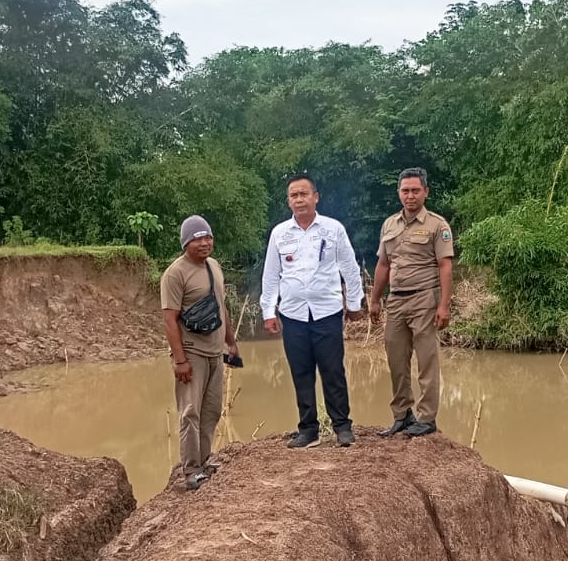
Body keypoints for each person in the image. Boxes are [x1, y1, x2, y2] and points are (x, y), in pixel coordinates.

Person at [261, 174, 366, 449]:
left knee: (333, 371)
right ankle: (308, 430)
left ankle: (342, 426)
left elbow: (350, 268)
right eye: (293, 195)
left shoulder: (333, 229)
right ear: (288, 201)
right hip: (293, 314)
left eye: (303, 194)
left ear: (316, 197)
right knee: (301, 372)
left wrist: (354, 304)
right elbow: (271, 275)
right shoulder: (279, 233)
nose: (299, 200)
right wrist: (268, 311)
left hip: (327, 312)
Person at [368, 168, 454, 438]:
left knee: (427, 361)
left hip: (424, 299)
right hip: (396, 300)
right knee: (396, 361)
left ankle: (427, 418)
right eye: (405, 190)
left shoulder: (437, 226)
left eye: (415, 190)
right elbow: (383, 264)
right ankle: (402, 415)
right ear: (399, 193)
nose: (410, 196)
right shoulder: (389, 225)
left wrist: (444, 306)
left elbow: (445, 266)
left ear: (425, 192)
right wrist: (374, 300)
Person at [160, 215, 239, 490]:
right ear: (186, 243)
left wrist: (231, 342)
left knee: (211, 410)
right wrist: (180, 360)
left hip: (215, 351)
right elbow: (170, 320)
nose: (205, 243)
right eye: (198, 238)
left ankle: (205, 461)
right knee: (190, 412)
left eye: (208, 237)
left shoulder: (214, 267)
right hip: (191, 352)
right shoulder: (175, 274)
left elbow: (221, 307)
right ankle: (191, 470)